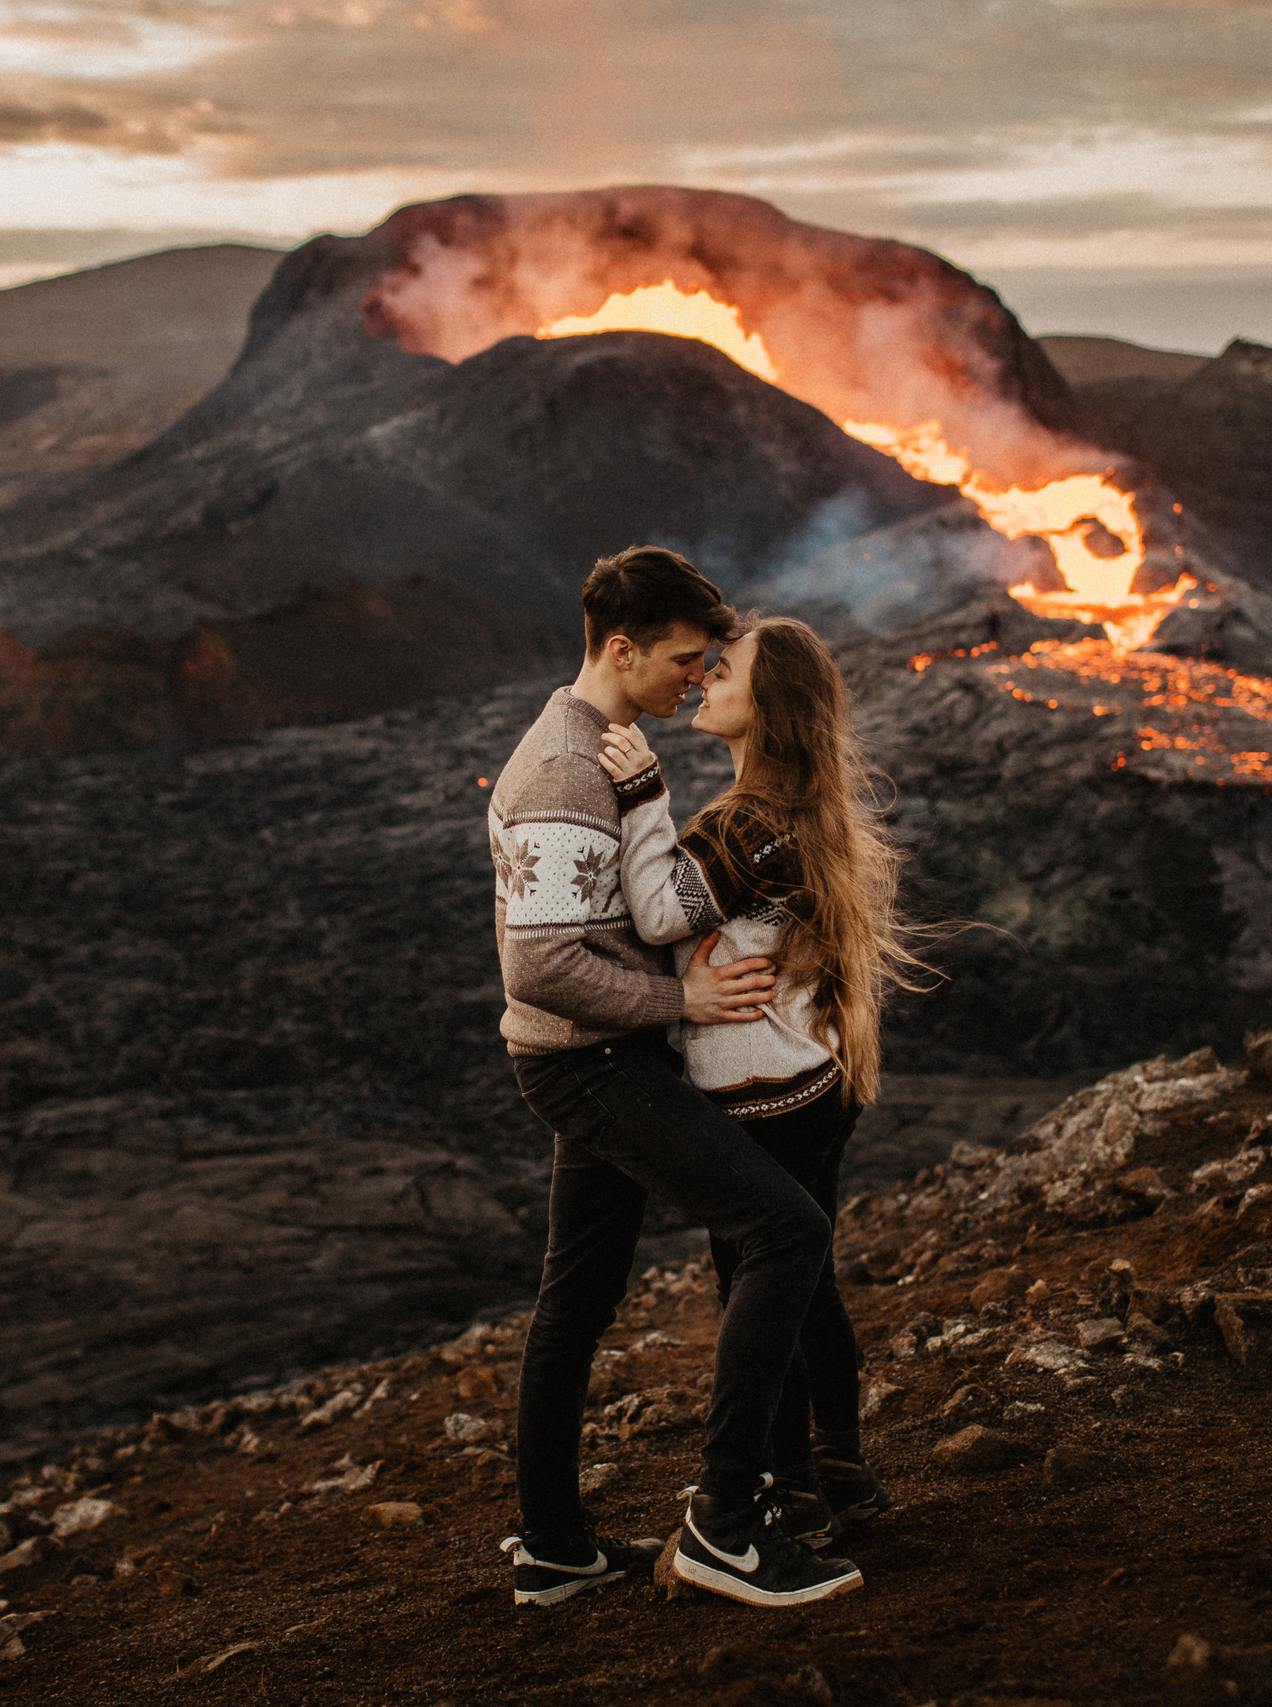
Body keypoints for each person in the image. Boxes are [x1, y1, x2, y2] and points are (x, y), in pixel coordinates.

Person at [489, 547, 866, 1609]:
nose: (693, 681)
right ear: (623, 650)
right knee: (785, 1231)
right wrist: (684, 1003)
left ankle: (554, 1546)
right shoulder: (566, 769)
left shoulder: (592, 750)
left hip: (600, 1058)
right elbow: (544, 965)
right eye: (686, 661)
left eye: (712, 667)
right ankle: (723, 1528)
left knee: (579, 1296)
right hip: (590, 1063)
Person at [594, 614, 916, 1558]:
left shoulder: (750, 821)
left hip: (767, 1098)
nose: (701, 681)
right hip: (807, 1085)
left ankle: (784, 1484)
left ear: (765, 703)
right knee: (804, 1282)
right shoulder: (784, 810)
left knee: (762, 1285)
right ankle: (835, 1467)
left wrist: (645, 791)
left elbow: (660, 911)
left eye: (721, 671)